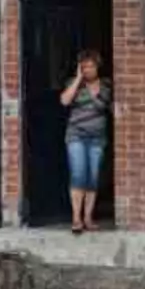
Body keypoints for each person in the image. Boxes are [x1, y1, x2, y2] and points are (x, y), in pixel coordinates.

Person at [59, 48, 111, 234]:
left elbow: (104, 105)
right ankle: (76, 218)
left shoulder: (106, 85)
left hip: (97, 136)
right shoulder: (73, 84)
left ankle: (88, 217)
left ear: (98, 67)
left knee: (93, 177)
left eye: (91, 66)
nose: (88, 70)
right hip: (76, 136)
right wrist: (78, 79)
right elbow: (64, 101)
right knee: (78, 174)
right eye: (84, 67)